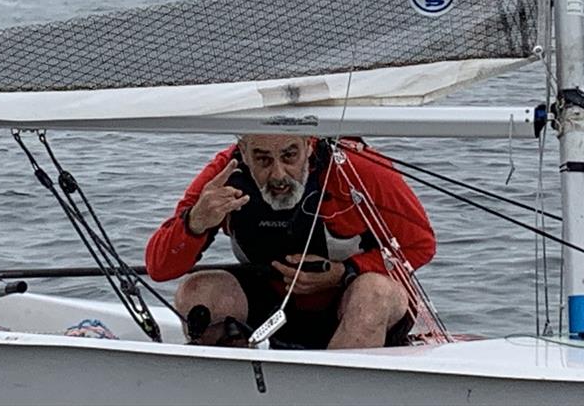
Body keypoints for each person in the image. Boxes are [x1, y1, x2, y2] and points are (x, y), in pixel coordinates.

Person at [146, 134, 436, 350]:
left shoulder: (357, 169)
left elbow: (420, 245)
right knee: (199, 291)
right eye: (263, 159)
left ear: (309, 146)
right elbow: (159, 268)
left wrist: (345, 272)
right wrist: (195, 222)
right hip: (273, 307)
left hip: (351, 307)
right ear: (243, 152)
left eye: (289, 156)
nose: (278, 175)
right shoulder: (224, 176)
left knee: (373, 293)